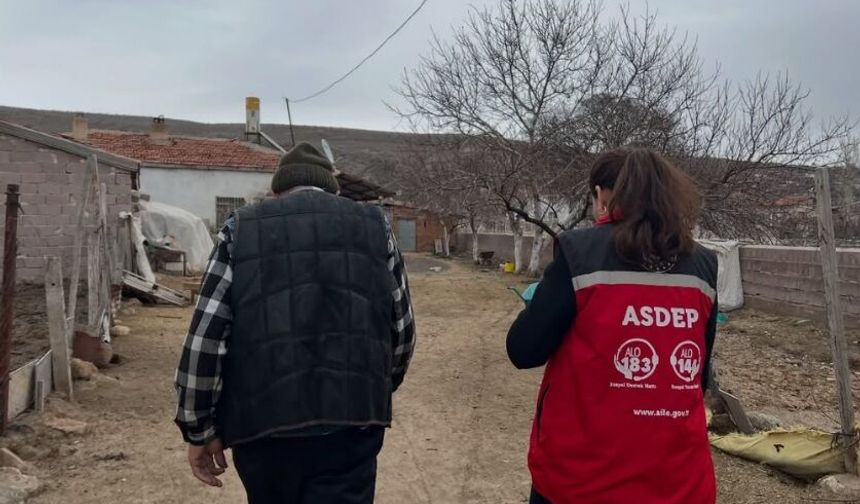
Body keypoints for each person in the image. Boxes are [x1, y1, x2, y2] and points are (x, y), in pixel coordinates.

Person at [174, 142, 416, 504]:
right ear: (333, 190)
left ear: (276, 190)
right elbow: (402, 331)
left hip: (264, 432)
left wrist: (199, 428)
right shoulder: (375, 227)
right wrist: (373, 388)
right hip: (350, 428)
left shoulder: (240, 229)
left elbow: (206, 339)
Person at [507, 147, 718, 503]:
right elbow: (698, 372)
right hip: (678, 482)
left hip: (581, 480)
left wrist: (535, 305)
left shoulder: (579, 252)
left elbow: (523, 349)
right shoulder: (702, 264)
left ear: (601, 196)